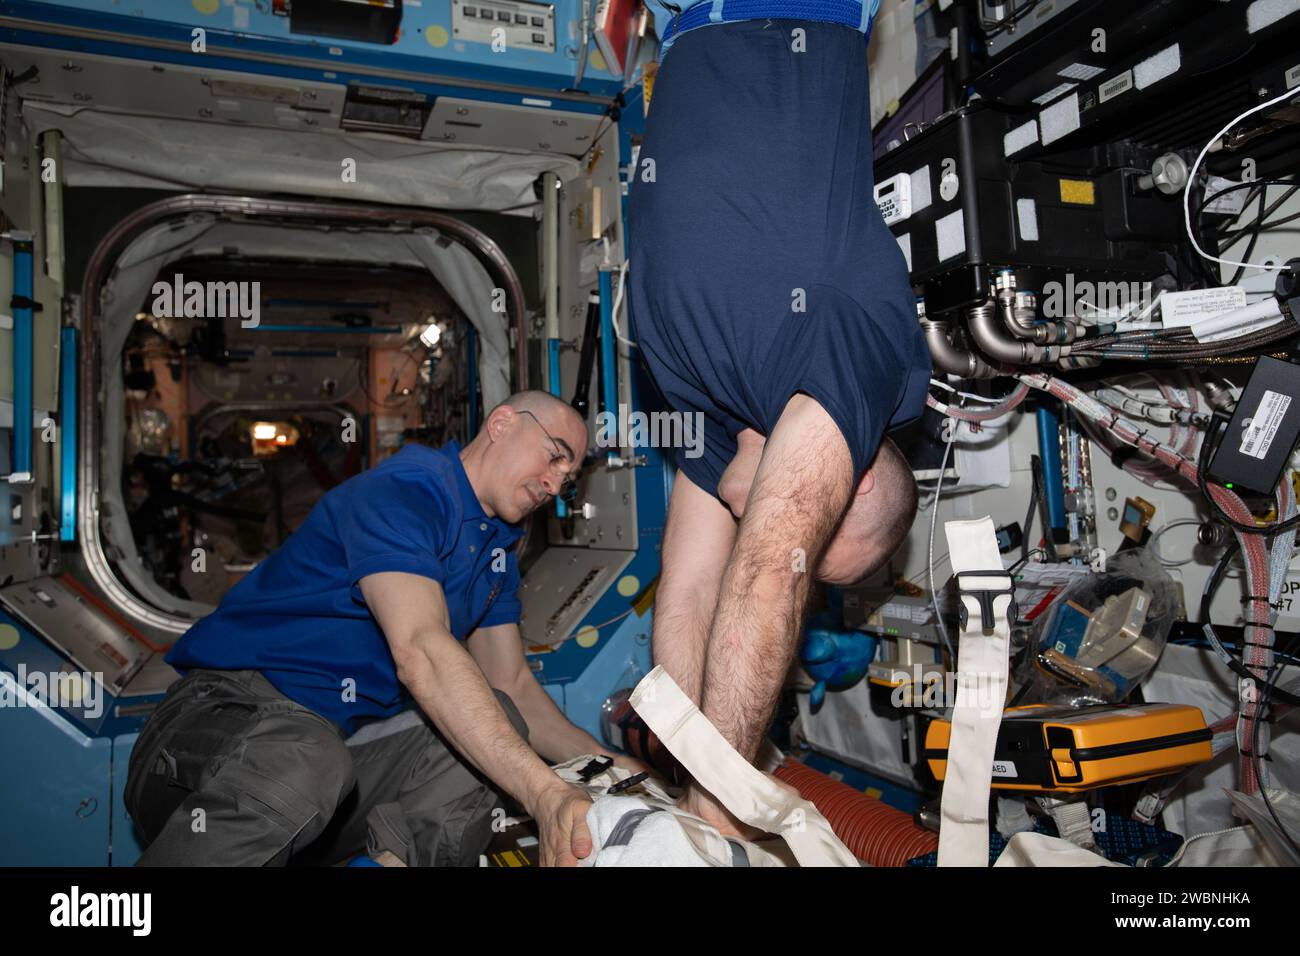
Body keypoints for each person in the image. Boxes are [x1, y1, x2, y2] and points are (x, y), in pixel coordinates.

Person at [628, 4, 932, 836]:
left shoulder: (727, 432)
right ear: (852, 474)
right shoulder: (859, 360)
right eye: (812, 524)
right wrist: (721, 826)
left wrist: (694, 770)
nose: (755, 518)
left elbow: (691, 592)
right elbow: (768, 572)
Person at [125, 391, 640, 867]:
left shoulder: (495, 546)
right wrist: (544, 795)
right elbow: (421, 649)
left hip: (324, 766)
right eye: (553, 455)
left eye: (568, 476)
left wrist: (618, 769)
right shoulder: (405, 493)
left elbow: (514, 687)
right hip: (212, 733)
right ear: (502, 423)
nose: (555, 484)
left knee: (496, 722)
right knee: (310, 758)